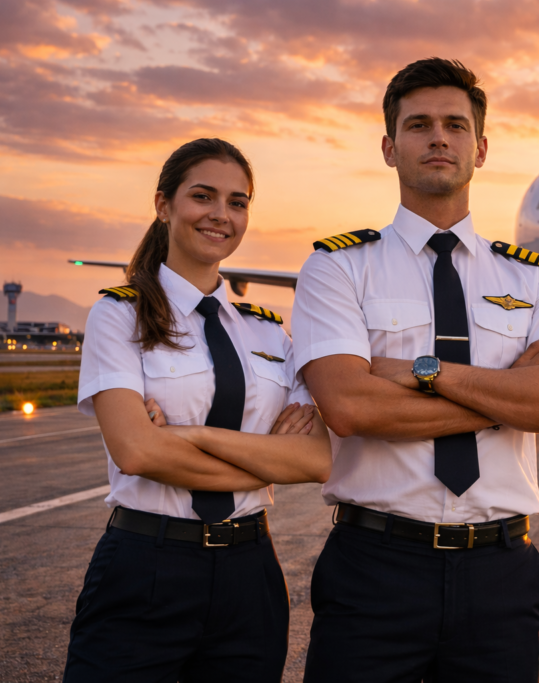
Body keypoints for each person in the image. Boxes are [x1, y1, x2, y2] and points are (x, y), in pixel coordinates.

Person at [292, 58, 539, 681]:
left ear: (480, 148)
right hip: (375, 566)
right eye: (420, 125)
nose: (439, 138)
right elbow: (352, 409)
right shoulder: (339, 267)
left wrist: (422, 372)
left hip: (500, 570)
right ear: (389, 146)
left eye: (456, 126)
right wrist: (513, 388)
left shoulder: (533, 278)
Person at [63, 138, 332, 682]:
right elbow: (136, 451)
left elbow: (315, 461)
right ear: (164, 205)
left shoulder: (268, 331)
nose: (221, 215)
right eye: (203, 196)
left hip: (250, 573)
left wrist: (184, 437)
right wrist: (264, 460)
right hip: (146, 564)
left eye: (237, 202)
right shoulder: (120, 317)